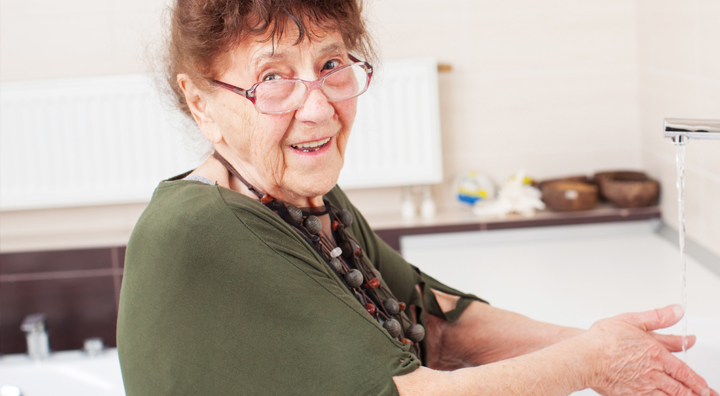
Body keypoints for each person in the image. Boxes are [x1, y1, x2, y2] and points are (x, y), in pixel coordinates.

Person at [116, 0, 717, 395]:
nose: (320, 106)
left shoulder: (302, 198)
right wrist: (592, 362)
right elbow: (408, 394)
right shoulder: (200, 229)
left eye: (331, 64)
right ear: (202, 104)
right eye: (273, 79)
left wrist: (601, 344)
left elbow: (437, 323)